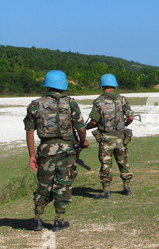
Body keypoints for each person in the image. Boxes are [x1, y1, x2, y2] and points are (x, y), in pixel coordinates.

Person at [23, 70, 89, 232]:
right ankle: (59, 220)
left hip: (45, 150)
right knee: (63, 184)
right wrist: (83, 141)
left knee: (44, 183)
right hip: (67, 151)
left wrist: (32, 155)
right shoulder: (71, 103)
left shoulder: (35, 105)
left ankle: (38, 219)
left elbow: (29, 132)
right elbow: (80, 127)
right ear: (63, 85)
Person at [86, 74, 134, 199]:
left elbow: (94, 122)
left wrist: (85, 128)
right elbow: (130, 117)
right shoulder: (122, 99)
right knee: (124, 163)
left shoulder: (98, 101)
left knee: (106, 165)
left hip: (106, 140)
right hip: (121, 138)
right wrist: (123, 125)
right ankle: (127, 188)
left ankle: (106, 191)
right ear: (114, 85)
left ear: (102, 86)